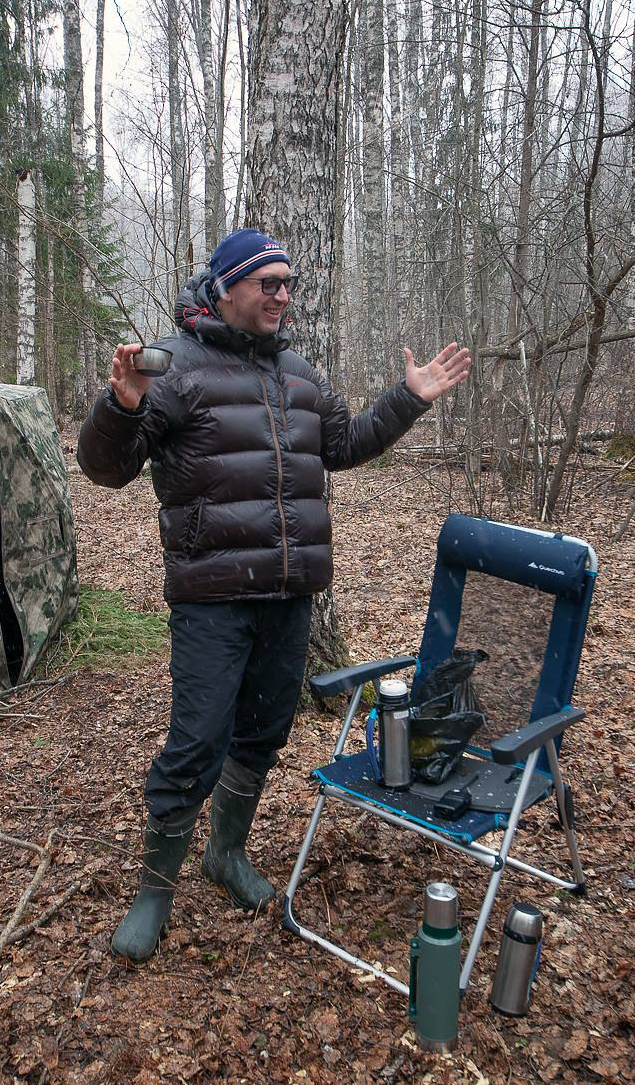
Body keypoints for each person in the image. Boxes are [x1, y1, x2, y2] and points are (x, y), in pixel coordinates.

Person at [78, 228, 471, 963]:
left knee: (263, 731)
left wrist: (408, 399)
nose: (283, 295)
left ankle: (225, 853)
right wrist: (121, 404)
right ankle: (154, 891)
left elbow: (344, 444)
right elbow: (106, 469)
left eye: (288, 283)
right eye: (269, 283)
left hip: (288, 595)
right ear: (227, 286)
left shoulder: (298, 374)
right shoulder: (177, 368)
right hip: (212, 598)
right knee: (196, 742)